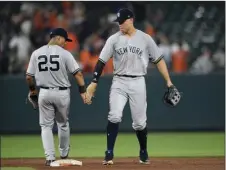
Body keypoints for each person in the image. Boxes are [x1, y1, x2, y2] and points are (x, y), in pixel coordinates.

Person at [87, 8, 181, 165]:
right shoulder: (114, 39)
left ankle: (143, 151)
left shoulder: (145, 39)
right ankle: (109, 153)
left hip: (138, 82)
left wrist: (169, 82)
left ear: (131, 20)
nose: (119, 25)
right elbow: (101, 61)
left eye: (122, 21)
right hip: (119, 81)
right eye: (118, 22)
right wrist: (94, 82)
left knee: (139, 123)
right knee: (114, 115)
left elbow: (159, 60)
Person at [25, 28, 90, 166]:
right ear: (58, 38)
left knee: (46, 126)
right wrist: (83, 91)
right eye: (65, 40)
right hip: (62, 93)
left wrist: (33, 91)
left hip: (44, 93)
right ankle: (64, 154)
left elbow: (29, 77)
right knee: (63, 124)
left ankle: (50, 158)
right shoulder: (65, 54)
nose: (65, 43)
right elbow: (78, 74)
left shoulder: (36, 53)